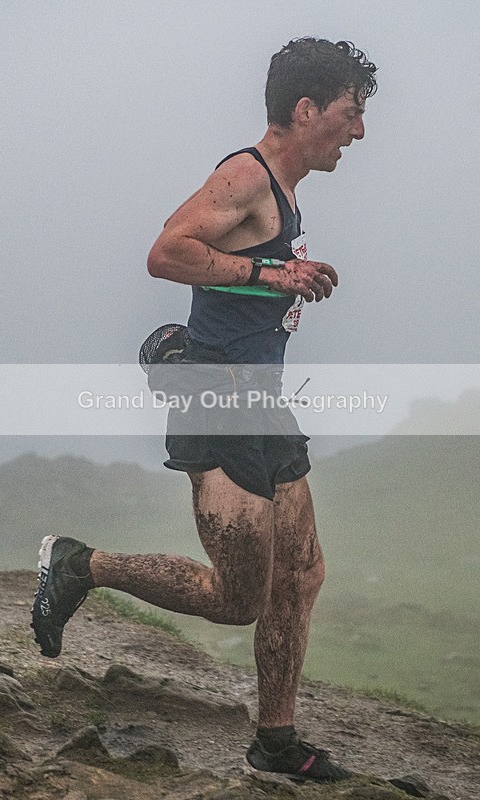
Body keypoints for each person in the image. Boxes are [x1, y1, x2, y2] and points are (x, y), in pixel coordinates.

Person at [31, 37, 377, 783]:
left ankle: (276, 744)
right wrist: (272, 270)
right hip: (216, 398)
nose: (357, 132)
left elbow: (241, 280)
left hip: (261, 402)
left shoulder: (281, 190)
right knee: (237, 597)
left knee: (302, 573)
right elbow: (167, 253)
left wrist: (285, 277)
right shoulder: (244, 176)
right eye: (349, 114)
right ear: (305, 108)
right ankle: (81, 565)